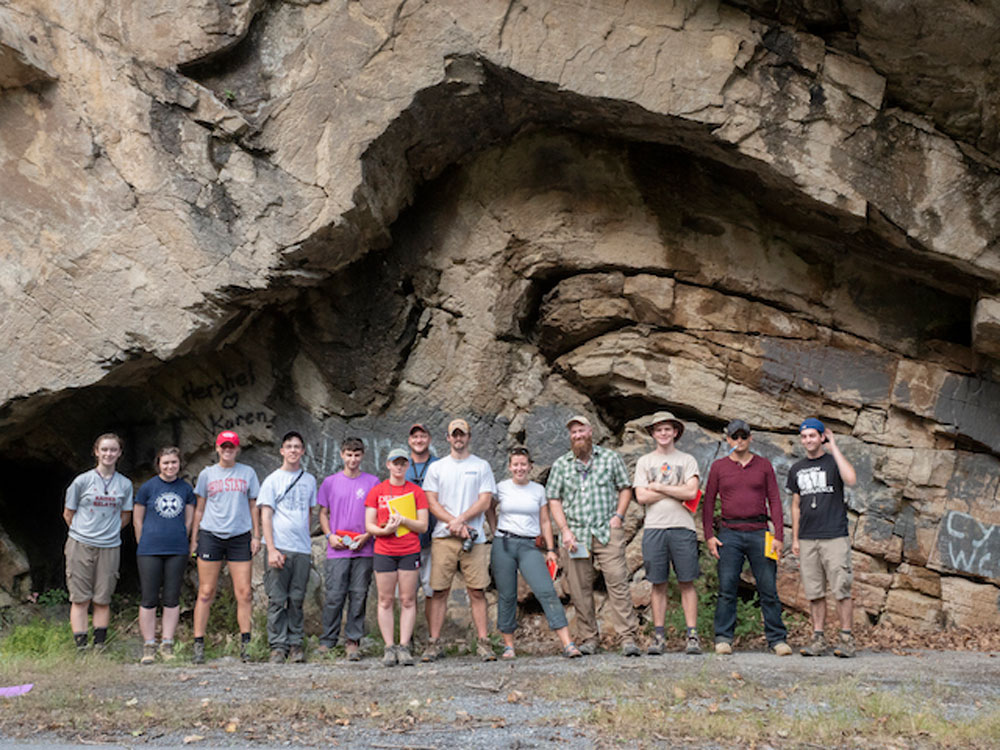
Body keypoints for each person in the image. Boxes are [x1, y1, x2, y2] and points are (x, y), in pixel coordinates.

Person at [546, 415, 640, 657]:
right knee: (579, 588)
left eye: (581, 430)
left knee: (617, 582)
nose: (577, 435)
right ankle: (589, 638)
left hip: (606, 531)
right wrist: (564, 530)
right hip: (574, 536)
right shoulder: (561, 464)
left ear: (591, 432)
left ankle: (628, 637)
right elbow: (553, 498)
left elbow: (624, 488)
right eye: (573, 432)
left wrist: (618, 516)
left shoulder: (609, 459)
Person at [702, 419, 791, 656]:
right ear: (727, 439)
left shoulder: (763, 466)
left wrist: (779, 536)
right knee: (727, 586)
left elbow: (774, 500)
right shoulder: (719, 467)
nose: (739, 441)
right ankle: (723, 638)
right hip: (729, 533)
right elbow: (708, 502)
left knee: (768, 587)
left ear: (750, 438)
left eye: (743, 437)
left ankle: (777, 639)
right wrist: (709, 535)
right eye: (734, 437)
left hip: (760, 532)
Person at [489, 448, 582, 659]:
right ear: (509, 466)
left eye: (523, 464)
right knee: (507, 594)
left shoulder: (538, 490)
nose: (519, 468)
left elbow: (545, 521)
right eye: (515, 465)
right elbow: (489, 508)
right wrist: (494, 529)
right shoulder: (501, 487)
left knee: (546, 590)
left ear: (530, 466)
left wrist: (551, 550)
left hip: (528, 545)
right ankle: (509, 646)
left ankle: (567, 643)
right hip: (503, 543)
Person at [421, 418, 497, 662]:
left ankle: (484, 642)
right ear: (447, 438)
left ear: (469, 437)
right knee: (439, 591)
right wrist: (454, 524)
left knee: (477, 591)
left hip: (473, 538)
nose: (458, 438)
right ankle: (434, 643)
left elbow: (485, 501)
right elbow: (431, 502)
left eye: (462, 434)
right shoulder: (437, 468)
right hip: (444, 539)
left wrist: (461, 519)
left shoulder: (482, 466)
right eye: (454, 435)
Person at [788, 418, 859, 658]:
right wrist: (795, 538)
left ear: (821, 437)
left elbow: (851, 479)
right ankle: (818, 639)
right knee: (814, 591)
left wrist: (834, 447)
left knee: (842, 588)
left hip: (834, 535)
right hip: (808, 537)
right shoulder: (797, 468)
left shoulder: (832, 462)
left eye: (812, 435)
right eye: (804, 436)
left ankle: (846, 638)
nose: (808, 440)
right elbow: (796, 505)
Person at [633, 411, 702, 656]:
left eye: (667, 429)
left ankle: (692, 635)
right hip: (654, 528)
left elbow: (692, 492)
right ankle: (659, 636)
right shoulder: (645, 462)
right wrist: (677, 489)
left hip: (682, 527)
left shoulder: (687, 460)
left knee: (687, 581)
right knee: (658, 582)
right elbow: (641, 496)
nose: (663, 433)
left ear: (675, 432)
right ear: (653, 433)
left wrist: (660, 487)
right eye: (658, 429)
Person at [190, 430, 261, 664]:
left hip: (240, 536)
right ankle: (198, 643)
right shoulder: (207, 474)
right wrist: (194, 538)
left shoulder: (247, 473)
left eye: (232, 446)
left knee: (244, 593)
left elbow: (254, 506)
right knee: (206, 591)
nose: (227, 450)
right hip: (211, 534)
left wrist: (256, 535)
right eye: (224, 446)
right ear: (217, 448)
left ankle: (246, 644)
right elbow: (199, 508)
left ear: (238, 449)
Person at [63, 433, 134, 652]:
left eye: (113, 450)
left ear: (119, 453)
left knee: (103, 598)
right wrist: (85, 532)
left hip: (110, 545)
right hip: (80, 543)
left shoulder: (124, 484)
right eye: (104, 449)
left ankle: (100, 645)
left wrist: (108, 532)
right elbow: (68, 513)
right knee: (80, 597)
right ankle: (81, 646)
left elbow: (126, 516)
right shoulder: (82, 481)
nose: (108, 454)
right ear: (96, 452)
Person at [365, 448, 429, 666]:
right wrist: (385, 531)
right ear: (388, 465)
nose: (399, 466)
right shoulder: (377, 491)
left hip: (409, 549)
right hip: (384, 550)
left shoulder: (416, 492)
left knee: (408, 599)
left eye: (403, 463)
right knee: (385, 600)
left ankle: (404, 646)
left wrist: (403, 521)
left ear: (407, 465)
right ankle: (389, 647)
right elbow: (369, 525)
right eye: (395, 462)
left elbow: (423, 525)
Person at [259, 431, 318, 664]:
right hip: (279, 546)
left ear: (303, 451)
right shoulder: (273, 480)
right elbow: (266, 515)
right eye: (289, 446)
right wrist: (271, 549)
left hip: (301, 548)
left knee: (296, 598)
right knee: (276, 599)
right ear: (282, 451)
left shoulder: (309, 480)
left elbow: (310, 513)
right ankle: (277, 645)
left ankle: (295, 644)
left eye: (297, 446)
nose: (293, 450)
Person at [317, 437, 378, 660]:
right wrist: (329, 535)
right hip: (337, 549)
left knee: (359, 595)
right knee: (334, 595)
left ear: (363, 456)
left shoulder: (372, 482)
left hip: (364, 548)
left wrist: (368, 535)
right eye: (349, 454)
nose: (353, 459)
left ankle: (353, 640)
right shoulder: (330, 482)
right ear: (342, 455)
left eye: (357, 455)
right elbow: (323, 513)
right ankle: (328, 640)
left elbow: (379, 515)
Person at [134, 446, 195, 664]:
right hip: (149, 549)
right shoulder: (148, 488)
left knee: (171, 597)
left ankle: (167, 642)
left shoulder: (185, 489)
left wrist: (182, 538)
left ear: (180, 464)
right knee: (149, 598)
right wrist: (143, 541)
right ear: (158, 464)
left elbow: (189, 519)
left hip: (176, 549)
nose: (170, 466)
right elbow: (138, 519)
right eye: (166, 462)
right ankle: (149, 644)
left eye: (174, 462)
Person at [405, 424, 439, 601]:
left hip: (432, 538)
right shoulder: (402, 465)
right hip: (407, 538)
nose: (419, 440)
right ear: (410, 441)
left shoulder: (439, 465)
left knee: (432, 591)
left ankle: (432, 629)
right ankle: (404, 630)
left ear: (429, 439)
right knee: (405, 594)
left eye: (423, 436)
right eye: (415, 437)